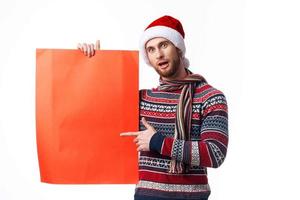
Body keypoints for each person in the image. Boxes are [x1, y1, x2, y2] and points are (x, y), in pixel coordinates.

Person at [78, 15, 228, 200]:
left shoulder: (210, 97)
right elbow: (94, 113)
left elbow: (215, 153)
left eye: (164, 45)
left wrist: (158, 141)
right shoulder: (141, 99)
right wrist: (94, 64)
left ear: (178, 48)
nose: (159, 54)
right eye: (151, 49)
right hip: (146, 196)